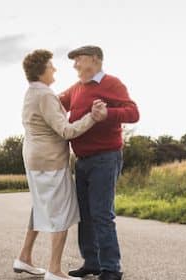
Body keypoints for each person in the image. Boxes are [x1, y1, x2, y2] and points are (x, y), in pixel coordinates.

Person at [13, 49, 108, 280]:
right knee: (61, 213)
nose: (54, 69)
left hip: (35, 160)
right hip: (50, 163)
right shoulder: (45, 95)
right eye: (51, 66)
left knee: (40, 206)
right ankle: (54, 270)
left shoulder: (32, 92)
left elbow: (54, 112)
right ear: (41, 71)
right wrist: (92, 117)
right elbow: (66, 130)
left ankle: (24, 257)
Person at [60, 46, 140, 280]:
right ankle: (92, 262)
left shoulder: (112, 83)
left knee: (101, 213)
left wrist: (109, 115)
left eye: (78, 60)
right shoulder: (77, 88)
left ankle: (111, 268)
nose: (74, 65)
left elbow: (133, 112)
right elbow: (55, 102)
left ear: (95, 60)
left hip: (105, 157)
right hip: (82, 160)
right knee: (84, 214)